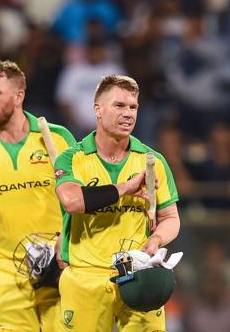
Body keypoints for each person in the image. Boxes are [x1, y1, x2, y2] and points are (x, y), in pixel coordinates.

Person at [54, 74, 180, 331]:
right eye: (119, 106)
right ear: (97, 109)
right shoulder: (72, 158)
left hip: (139, 275)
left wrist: (155, 241)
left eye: (133, 107)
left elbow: (170, 218)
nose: (128, 114)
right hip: (84, 279)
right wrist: (126, 187)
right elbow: (72, 201)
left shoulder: (152, 160)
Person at [0, 60, 76, 331]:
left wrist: (65, 246)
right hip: (4, 270)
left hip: (59, 264)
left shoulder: (57, 138)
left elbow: (78, 201)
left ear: (19, 95)